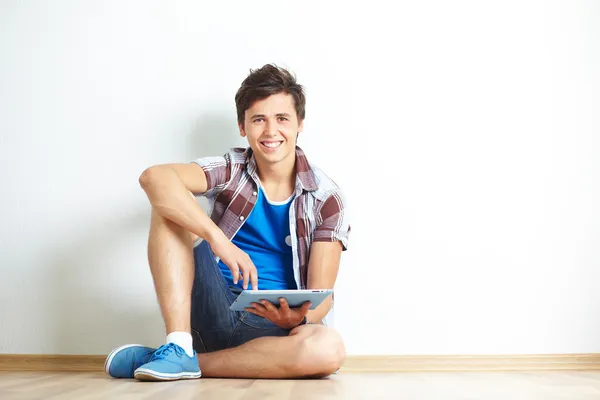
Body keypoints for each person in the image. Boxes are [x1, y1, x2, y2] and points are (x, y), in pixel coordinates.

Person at [104, 64, 351, 381]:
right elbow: (155, 177)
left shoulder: (326, 198)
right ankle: (180, 345)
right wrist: (219, 241)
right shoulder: (231, 169)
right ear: (242, 126)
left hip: (273, 329)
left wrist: (298, 320)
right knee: (170, 203)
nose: (271, 131)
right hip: (211, 302)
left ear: (300, 124)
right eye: (259, 119)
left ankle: (187, 360)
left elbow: (323, 295)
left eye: (282, 119)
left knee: (329, 349)